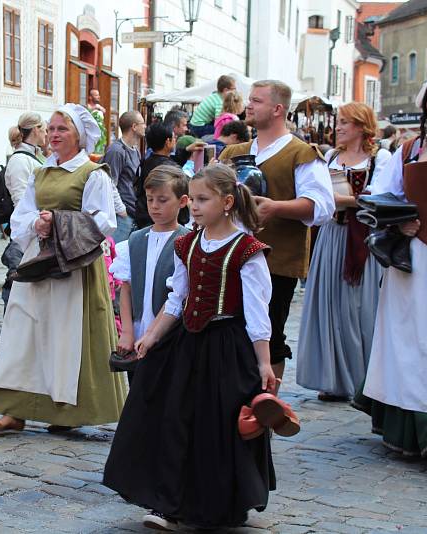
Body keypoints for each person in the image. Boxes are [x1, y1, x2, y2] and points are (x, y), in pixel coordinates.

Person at [104, 163, 276, 531]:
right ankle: (170, 501)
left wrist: (264, 363)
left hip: (227, 347)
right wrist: (150, 335)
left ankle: (218, 503)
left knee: (219, 426)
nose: (194, 207)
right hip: (187, 344)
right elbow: (176, 300)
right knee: (173, 418)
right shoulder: (189, 244)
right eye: (193, 200)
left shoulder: (247, 250)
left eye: (203, 199)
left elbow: (258, 315)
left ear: (227, 202)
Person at [0, 104, 127, 433]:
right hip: (39, 259)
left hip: (73, 265)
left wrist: (58, 222)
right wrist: (37, 221)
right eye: (52, 128)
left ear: (80, 136)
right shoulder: (41, 172)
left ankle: (65, 414)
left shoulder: (93, 174)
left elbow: (105, 220)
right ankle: (13, 410)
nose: (55, 134)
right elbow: (21, 216)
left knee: (65, 337)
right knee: (23, 330)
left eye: (63, 128)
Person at [353, 72, 427, 469]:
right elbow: (381, 198)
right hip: (412, 256)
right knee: (408, 338)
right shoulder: (409, 149)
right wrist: (398, 221)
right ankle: (407, 428)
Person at [220, 80, 335, 384]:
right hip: (227, 257)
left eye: (257, 101)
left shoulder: (301, 153)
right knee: (227, 332)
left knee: (269, 335)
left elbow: (322, 205)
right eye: (250, 99)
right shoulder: (233, 152)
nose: (249, 105)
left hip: (276, 261)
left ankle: (266, 410)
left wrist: (276, 208)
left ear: (277, 109)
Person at [296, 102, 391, 401]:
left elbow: (380, 197)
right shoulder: (331, 156)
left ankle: (364, 384)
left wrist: (342, 200)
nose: (338, 127)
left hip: (362, 238)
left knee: (360, 309)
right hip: (332, 236)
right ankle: (334, 379)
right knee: (330, 305)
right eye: (339, 121)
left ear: (362, 127)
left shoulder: (380, 158)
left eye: (346, 122)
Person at [110, 165, 189, 384]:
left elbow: (179, 294)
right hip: (136, 331)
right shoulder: (135, 240)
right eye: (150, 199)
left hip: (170, 335)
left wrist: (155, 333)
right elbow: (125, 287)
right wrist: (126, 331)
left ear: (182, 201)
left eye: (163, 200)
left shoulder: (186, 241)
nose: (154, 206)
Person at [1, 113, 47, 308]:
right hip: (26, 230)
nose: (46, 134)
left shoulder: (36, 156)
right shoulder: (20, 160)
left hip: (37, 228)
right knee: (17, 279)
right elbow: (20, 200)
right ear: (35, 130)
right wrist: (35, 223)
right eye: (44, 129)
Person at [134, 122, 188, 229]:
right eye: (174, 138)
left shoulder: (146, 162)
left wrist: (186, 151)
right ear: (168, 142)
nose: (154, 205)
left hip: (145, 220)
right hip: (164, 225)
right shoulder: (170, 168)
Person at [102, 110, 145, 243]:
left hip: (131, 214)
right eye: (142, 123)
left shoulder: (135, 150)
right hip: (121, 217)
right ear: (134, 126)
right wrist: (121, 210)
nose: (145, 126)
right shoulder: (116, 151)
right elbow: (108, 183)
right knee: (115, 257)